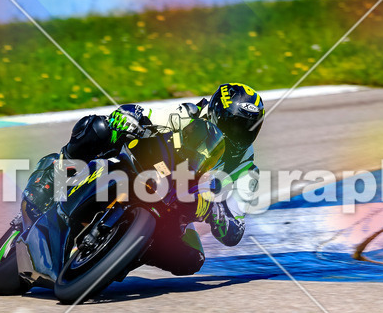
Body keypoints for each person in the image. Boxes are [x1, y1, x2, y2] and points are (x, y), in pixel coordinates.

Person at [22, 83, 264, 276]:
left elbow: (236, 227)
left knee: (191, 259)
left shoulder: (246, 170)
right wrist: (129, 116)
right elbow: (147, 113)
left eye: (248, 129)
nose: (239, 136)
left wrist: (219, 214)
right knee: (100, 128)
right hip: (143, 166)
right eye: (233, 126)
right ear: (215, 113)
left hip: (175, 206)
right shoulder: (189, 114)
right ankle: (55, 175)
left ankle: (124, 253)